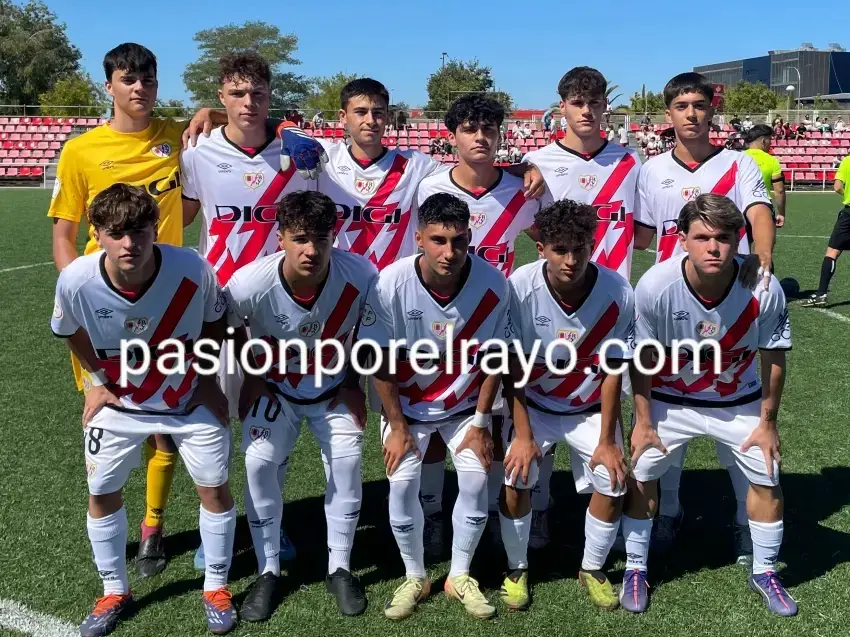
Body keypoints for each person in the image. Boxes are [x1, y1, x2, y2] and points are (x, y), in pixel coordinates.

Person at [47, 42, 211, 579]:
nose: (139, 87)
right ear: (109, 86)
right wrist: (84, 292)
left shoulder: (176, 138)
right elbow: (64, 236)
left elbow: (190, 203)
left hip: (168, 309)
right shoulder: (80, 151)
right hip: (107, 313)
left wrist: (206, 114)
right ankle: (113, 520)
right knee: (110, 414)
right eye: (127, 79)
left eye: (148, 78)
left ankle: (153, 526)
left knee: (163, 424)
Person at [51, 184, 238, 636]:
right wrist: (96, 382)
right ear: (96, 234)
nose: (129, 244)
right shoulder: (76, 278)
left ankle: (215, 587)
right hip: (121, 401)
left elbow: (217, 321)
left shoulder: (191, 268)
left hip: (188, 396)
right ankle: (114, 589)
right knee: (101, 493)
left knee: (213, 489)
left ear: (156, 229)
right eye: (116, 233)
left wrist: (210, 380)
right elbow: (67, 329)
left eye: (139, 231)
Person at [622, 193, 796, 616]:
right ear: (682, 239)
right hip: (669, 396)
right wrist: (643, 421)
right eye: (702, 237)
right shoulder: (656, 287)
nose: (713, 247)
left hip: (736, 398)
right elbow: (642, 359)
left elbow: (774, 360)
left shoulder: (763, 289)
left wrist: (768, 423)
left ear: (740, 239)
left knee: (766, 470)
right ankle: (635, 567)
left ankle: (766, 569)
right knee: (643, 468)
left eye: (723, 237)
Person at [633, 72, 776, 562]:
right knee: (667, 412)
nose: (691, 113)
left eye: (699, 104)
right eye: (681, 105)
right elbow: (644, 235)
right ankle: (668, 513)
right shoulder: (651, 170)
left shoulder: (737, 164)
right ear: (667, 113)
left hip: (726, 299)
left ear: (712, 110)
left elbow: (758, 211)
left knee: (737, 409)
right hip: (670, 306)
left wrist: (762, 259)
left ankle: (744, 524)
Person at [181, 52, 314, 570]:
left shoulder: (299, 158)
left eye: (257, 93)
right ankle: (214, 528)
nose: (248, 103)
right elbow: (181, 217)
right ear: (221, 97)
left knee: (266, 428)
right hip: (216, 308)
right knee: (212, 423)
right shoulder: (198, 156)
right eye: (237, 94)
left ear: (269, 95)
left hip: (274, 314)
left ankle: (269, 529)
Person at [223, 191, 377, 620]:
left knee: (347, 463)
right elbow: (228, 325)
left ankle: (340, 566)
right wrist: (252, 375)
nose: (312, 250)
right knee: (258, 464)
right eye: (301, 238)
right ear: (280, 238)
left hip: (333, 389)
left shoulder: (361, 275)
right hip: (275, 388)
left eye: (322, 239)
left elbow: (371, 331)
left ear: (335, 237)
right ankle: (268, 568)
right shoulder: (250, 282)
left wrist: (351, 381)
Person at [360, 192, 512, 621]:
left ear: (470, 239)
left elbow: (494, 359)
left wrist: (482, 422)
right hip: (406, 409)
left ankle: (459, 575)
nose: (450, 252)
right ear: (418, 239)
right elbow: (376, 358)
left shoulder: (493, 283)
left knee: (476, 476)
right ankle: (414, 575)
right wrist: (397, 425)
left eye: (460, 241)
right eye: (439, 240)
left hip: (465, 409)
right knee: (402, 480)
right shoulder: (390, 283)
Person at [414, 94, 547, 556]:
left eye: (489, 130)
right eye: (470, 129)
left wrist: (528, 167)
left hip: (497, 324)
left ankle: (492, 512)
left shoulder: (521, 189)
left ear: (500, 136)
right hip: (439, 322)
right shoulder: (428, 187)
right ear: (452, 136)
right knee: (432, 418)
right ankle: (432, 513)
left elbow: (546, 239)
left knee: (494, 422)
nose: (480, 137)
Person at [518, 66, 642, 548]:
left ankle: (625, 507)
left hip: (614, 308)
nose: (587, 110)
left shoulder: (632, 162)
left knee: (610, 411)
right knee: (542, 396)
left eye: (594, 101)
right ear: (562, 107)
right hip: (554, 303)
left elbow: (653, 226)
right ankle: (542, 507)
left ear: (604, 106)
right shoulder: (538, 162)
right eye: (577, 101)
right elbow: (524, 221)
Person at [500, 199, 634, 611]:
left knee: (613, 479)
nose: (571, 260)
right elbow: (511, 368)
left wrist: (610, 438)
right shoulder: (519, 287)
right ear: (540, 247)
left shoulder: (617, 290)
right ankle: (517, 567)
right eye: (560, 249)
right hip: (534, 404)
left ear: (593, 245)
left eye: (580, 248)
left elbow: (613, 371)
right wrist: (522, 435)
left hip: (588, 408)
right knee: (516, 473)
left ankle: (592, 567)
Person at [802, 153, 850, 306]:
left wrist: (846, 194)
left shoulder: (848, 161)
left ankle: (821, 294)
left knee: (832, 252)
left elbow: (837, 187)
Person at [744, 124, 786, 227]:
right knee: (765, 241)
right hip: (763, 206)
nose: (770, 144)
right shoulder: (772, 160)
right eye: (770, 140)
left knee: (741, 242)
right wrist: (781, 213)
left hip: (739, 207)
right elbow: (779, 190)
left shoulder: (737, 158)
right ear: (763, 141)